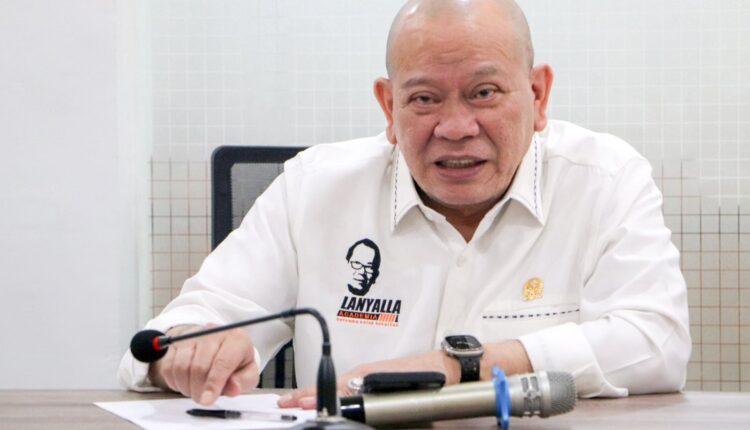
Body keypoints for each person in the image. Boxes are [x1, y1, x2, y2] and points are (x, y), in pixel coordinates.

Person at [119, 0, 691, 410]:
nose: (456, 127)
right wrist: (188, 353)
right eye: (424, 99)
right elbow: (175, 332)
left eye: (484, 93)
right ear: (389, 107)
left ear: (538, 95)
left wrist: (457, 369)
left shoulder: (605, 181)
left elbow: (657, 344)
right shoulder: (313, 190)